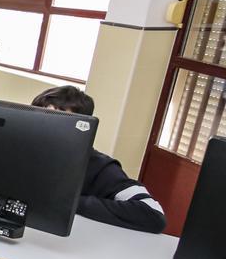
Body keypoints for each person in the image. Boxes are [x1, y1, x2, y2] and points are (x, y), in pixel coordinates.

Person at [31, 86, 167, 233]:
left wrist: (71, 202)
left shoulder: (100, 166)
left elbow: (153, 213)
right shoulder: (25, 151)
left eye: (58, 120)